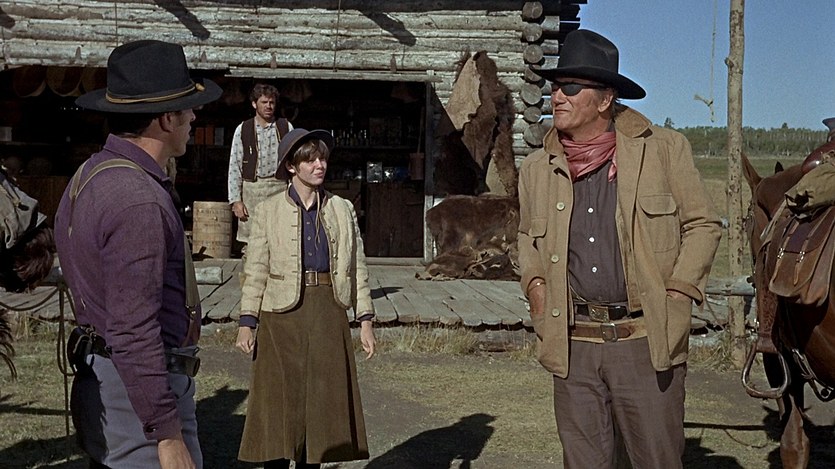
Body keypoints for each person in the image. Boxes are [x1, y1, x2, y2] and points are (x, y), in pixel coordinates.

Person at [517, 29, 721, 468]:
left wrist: (678, 293)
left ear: (605, 99)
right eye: (556, 86)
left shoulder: (663, 150)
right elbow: (526, 239)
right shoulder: (536, 168)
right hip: (573, 345)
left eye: (571, 87)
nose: (557, 96)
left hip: (644, 342)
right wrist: (536, 289)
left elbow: (703, 224)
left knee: (655, 460)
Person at [54, 40, 221, 468]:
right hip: (137, 398)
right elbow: (133, 330)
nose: (193, 117)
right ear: (166, 119)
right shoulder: (138, 201)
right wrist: (166, 433)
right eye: (187, 109)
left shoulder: (89, 174)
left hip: (112, 380)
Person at [235, 128, 376, 469]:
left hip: (328, 309)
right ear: (291, 166)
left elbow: (357, 266)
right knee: (277, 400)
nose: (319, 165)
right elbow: (255, 269)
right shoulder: (268, 210)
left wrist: (366, 320)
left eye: (322, 158)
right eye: (310, 160)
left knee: (322, 403)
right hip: (279, 315)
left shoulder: (342, 208)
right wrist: (247, 322)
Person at [227, 83, 293, 248]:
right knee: (252, 243)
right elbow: (234, 166)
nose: (268, 106)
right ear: (254, 104)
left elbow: (294, 163)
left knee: (279, 239)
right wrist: (236, 200)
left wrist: (294, 194)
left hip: (279, 188)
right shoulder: (243, 129)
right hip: (252, 190)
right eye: (264, 102)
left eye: (272, 102)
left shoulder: (285, 127)